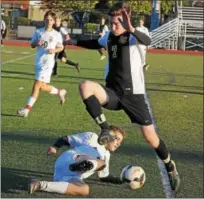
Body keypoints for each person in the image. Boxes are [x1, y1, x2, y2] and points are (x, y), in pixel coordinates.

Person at [66, 2, 180, 191]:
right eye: (111, 23)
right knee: (85, 87)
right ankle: (105, 129)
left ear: (126, 21)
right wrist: (73, 42)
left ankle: (169, 165)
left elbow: (148, 41)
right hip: (113, 93)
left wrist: (131, 29)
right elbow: (96, 42)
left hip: (133, 96)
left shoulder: (133, 38)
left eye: (116, 23)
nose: (113, 27)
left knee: (151, 139)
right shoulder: (110, 36)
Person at [28, 125, 126, 196]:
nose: (118, 143)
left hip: (67, 175)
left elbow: (104, 176)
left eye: (120, 142)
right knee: (101, 163)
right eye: (117, 139)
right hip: (70, 159)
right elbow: (66, 139)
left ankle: (39, 184)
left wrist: (123, 180)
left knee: (85, 190)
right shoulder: (92, 137)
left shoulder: (106, 155)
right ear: (107, 134)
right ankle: (81, 165)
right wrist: (55, 147)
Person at [17, 11, 67, 118]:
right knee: (42, 87)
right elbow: (32, 44)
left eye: (51, 20)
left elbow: (61, 47)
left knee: (36, 85)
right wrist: (36, 43)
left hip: (48, 63)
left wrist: (54, 50)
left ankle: (26, 109)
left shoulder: (56, 34)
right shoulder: (39, 32)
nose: (49, 21)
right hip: (38, 61)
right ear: (44, 19)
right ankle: (60, 92)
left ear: (54, 21)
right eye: (47, 19)